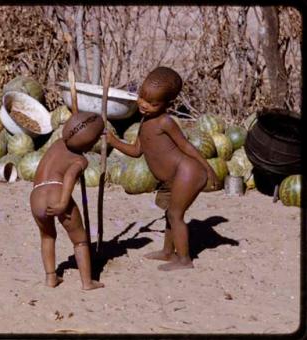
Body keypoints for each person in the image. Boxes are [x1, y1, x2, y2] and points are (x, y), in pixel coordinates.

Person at [106, 66, 217, 271]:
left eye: (153, 103)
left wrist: (207, 168)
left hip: (187, 172)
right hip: (171, 178)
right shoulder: (144, 121)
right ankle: (168, 252)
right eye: (142, 98)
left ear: (167, 104)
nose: (144, 105)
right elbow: (136, 150)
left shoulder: (165, 121)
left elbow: (185, 145)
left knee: (176, 215)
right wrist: (113, 141)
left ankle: (184, 259)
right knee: (170, 213)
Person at [30, 111, 105, 289]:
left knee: (47, 236)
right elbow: (70, 175)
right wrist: (63, 202)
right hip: (57, 191)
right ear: (91, 143)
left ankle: (50, 277)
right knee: (79, 239)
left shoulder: (56, 144)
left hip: (36, 195)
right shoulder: (80, 159)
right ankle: (87, 282)